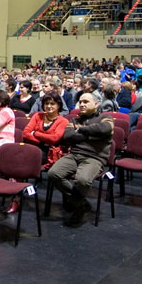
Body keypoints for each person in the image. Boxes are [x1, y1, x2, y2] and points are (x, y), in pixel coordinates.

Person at [47, 93, 114, 226]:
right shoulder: (74, 120)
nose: (81, 104)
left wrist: (81, 130)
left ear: (95, 104)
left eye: (85, 102)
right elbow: (68, 137)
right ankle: (81, 204)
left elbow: (104, 129)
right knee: (53, 174)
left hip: (94, 158)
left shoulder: (105, 117)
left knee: (83, 180)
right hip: (74, 155)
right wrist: (91, 135)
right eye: (80, 102)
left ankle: (76, 204)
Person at [22, 92, 70, 165]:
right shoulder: (37, 115)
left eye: (52, 104)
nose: (49, 106)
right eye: (46, 104)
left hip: (48, 152)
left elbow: (54, 139)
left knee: (30, 158)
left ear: (59, 105)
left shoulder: (63, 121)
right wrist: (42, 142)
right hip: (32, 146)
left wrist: (35, 133)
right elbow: (25, 133)